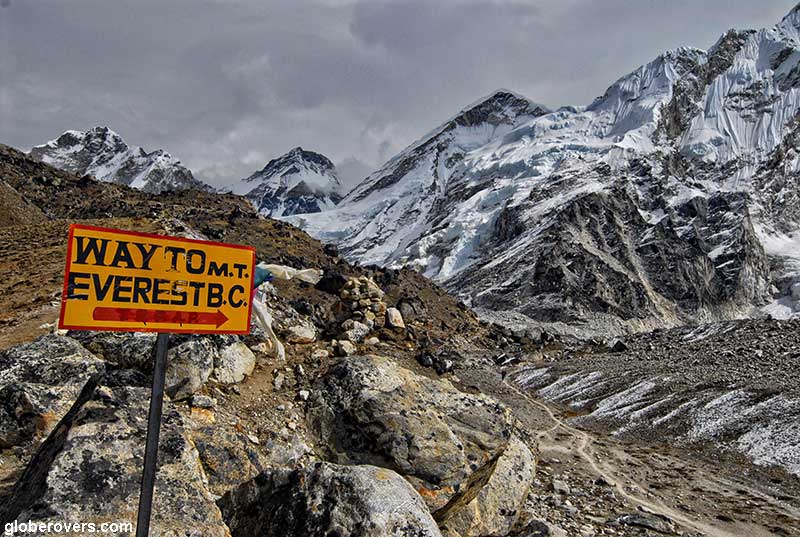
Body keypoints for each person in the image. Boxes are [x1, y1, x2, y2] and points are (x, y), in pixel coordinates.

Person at [250, 263, 323, 361]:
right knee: (262, 317)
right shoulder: (256, 273)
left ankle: (274, 345)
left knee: (261, 317)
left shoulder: (255, 273)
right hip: (245, 297)